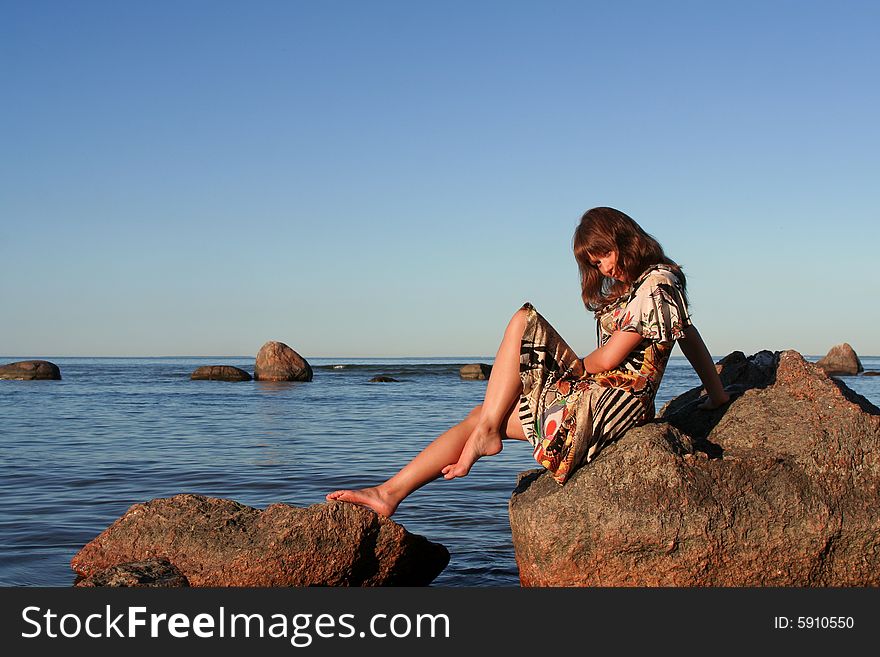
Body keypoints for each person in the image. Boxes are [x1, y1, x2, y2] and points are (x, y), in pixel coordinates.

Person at [326, 206, 730, 516]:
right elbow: (687, 333)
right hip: (601, 401)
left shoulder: (657, 283)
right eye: (595, 264)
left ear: (626, 238)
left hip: (609, 406)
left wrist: (560, 369)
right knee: (479, 413)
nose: (604, 267)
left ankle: (485, 435)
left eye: (604, 255)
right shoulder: (644, 287)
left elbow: (611, 356)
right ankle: (389, 493)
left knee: (523, 320)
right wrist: (716, 394)